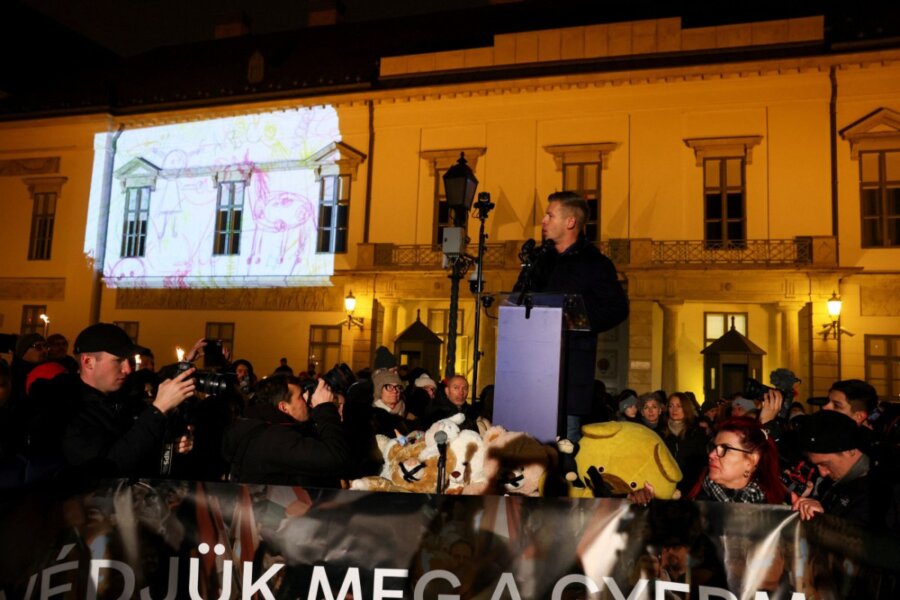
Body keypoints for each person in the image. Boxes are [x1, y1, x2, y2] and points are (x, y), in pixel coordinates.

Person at [517, 191, 629, 441]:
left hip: (570, 375)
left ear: (570, 222)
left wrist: (577, 320)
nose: (543, 221)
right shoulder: (539, 260)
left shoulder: (596, 264)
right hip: (530, 373)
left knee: (565, 448)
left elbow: (618, 308)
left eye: (550, 215)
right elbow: (517, 298)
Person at [61, 323, 197, 478]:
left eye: (129, 361)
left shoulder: (126, 400)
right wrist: (158, 410)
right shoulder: (66, 409)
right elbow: (109, 468)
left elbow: (137, 451)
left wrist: (171, 447)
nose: (128, 369)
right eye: (119, 360)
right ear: (88, 362)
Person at [222, 375, 349, 487]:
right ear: (284, 407)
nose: (306, 398)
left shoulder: (269, 426)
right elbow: (334, 458)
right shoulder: (274, 439)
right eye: (300, 396)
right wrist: (325, 408)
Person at [792, 410, 899, 534]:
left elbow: (869, 546)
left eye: (825, 464)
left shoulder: (884, 492)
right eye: (817, 465)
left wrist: (825, 521)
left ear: (850, 450)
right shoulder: (840, 480)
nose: (822, 473)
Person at [661, 392, 709, 494]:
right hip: (665, 486)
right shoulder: (660, 432)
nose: (674, 410)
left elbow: (701, 464)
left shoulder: (697, 433)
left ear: (686, 408)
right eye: (671, 406)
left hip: (689, 488)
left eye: (679, 406)